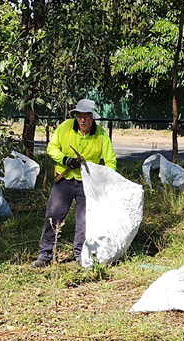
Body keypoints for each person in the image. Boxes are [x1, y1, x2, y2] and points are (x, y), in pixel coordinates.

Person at [31, 99, 117, 268]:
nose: (83, 120)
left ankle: (80, 255)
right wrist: (66, 160)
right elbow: (52, 148)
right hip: (64, 180)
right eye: (80, 116)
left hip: (88, 185)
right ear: (76, 116)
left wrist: (106, 180)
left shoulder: (101, 135)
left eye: (87, 116)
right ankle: (45, 255)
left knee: (85, 221)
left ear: (93, 118)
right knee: (53, 215)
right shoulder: (64, 128)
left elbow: (110, 161)